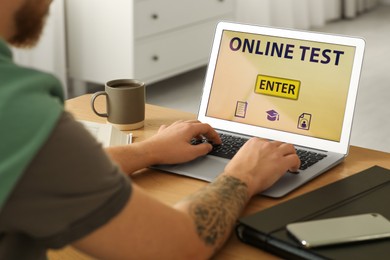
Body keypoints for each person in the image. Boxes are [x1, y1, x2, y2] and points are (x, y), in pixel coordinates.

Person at [0, 0, 300, 259]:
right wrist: (244, 175)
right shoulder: (16, 110)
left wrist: (148, 150)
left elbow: (50, 173)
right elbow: (180, 245)